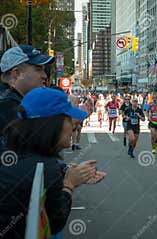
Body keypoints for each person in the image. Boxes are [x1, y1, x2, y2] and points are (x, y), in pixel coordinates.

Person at [0, 87, 106, 239]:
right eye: (69, 120)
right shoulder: (46, 167)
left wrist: (67, 171)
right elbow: (55, 221)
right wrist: (69, 184)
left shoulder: (10, 145)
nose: (74, 126)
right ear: (53, 124)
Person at [0, 45, 55, 136]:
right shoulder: (7, 105)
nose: (44, 76)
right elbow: (34, 143)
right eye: (38, 69)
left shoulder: (13, 101)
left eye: (43, 70)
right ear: (16, 73)